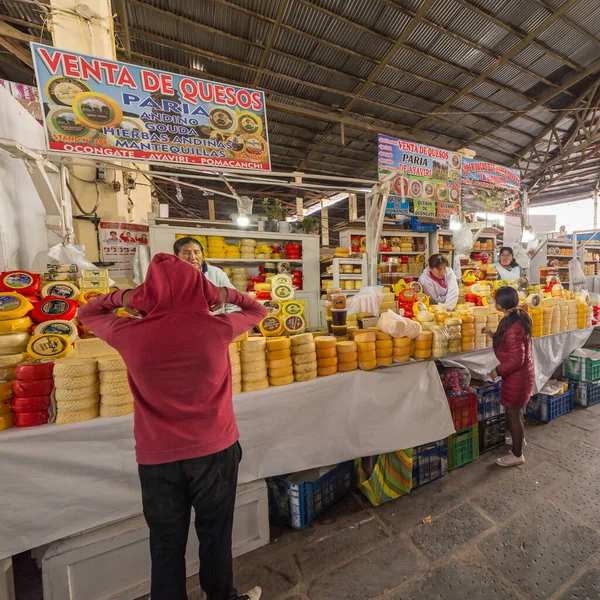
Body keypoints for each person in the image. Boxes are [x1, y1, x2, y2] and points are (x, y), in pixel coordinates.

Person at [78, 253, 267, 600]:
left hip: (157, 457)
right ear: (201, 288)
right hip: (215, 450)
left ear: (147, 293)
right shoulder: (218, 327)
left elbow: (87, 312)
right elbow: (258, 310)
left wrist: (125, 298)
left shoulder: (128, 333)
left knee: (165, 543)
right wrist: (221, 296)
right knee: (215, 535)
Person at [484, 286, 534, 467]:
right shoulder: (517, 316)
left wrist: (497, 371)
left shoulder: (514, 326)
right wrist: (493, 335)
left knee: (514, 414)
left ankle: (517, 454)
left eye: (495, 300)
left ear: (499, 305)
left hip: (518, 377)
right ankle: (518, 440)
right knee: (515, 412)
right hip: (520, 376)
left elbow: (516, 359)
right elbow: (511, 343)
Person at [174, 237, 239, 314]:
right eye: (186, 253)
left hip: (215, 324)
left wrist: (227, 322)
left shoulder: (216, 273)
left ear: (202, 254)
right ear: (175, 256)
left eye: (196, 252)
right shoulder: (171, 277)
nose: (193, 257)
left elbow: (234, 302)